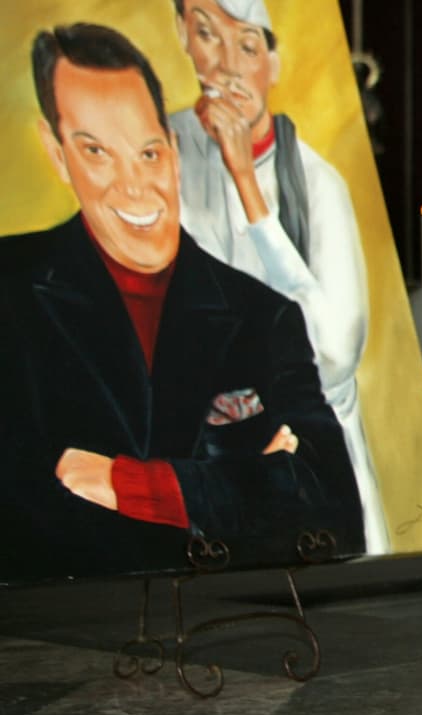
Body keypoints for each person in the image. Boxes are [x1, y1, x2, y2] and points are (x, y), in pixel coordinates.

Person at [0, 22, 364, 584]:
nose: (134, 187)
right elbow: (19, 513)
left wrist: (140, 487)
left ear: (172, 150)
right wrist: (250, 481)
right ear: (57, 154)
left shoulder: (263, 315)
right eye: (96, 152)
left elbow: (335, 512)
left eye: (148, 153)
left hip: (228, 631)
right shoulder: (11, 287)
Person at [169, 0, 387, 554]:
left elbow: (334, 353)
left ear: (273, 63)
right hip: (199, 452)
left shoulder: (318, 181)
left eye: (246, 44)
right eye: (205, 34)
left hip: (305, 460)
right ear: (184, 41)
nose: (225, 63)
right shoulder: (159, 152)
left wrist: (246, 181)